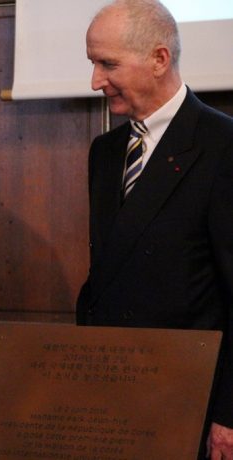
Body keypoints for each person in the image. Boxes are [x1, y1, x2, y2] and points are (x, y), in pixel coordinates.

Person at [77, 1, 233, 458]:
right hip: (113, 398)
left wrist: (230, 412)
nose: (95, 81)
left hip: (190, 401)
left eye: (108, 64)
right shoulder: (105, 152)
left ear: (159, 59)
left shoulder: (223, 146)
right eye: (93, 63)